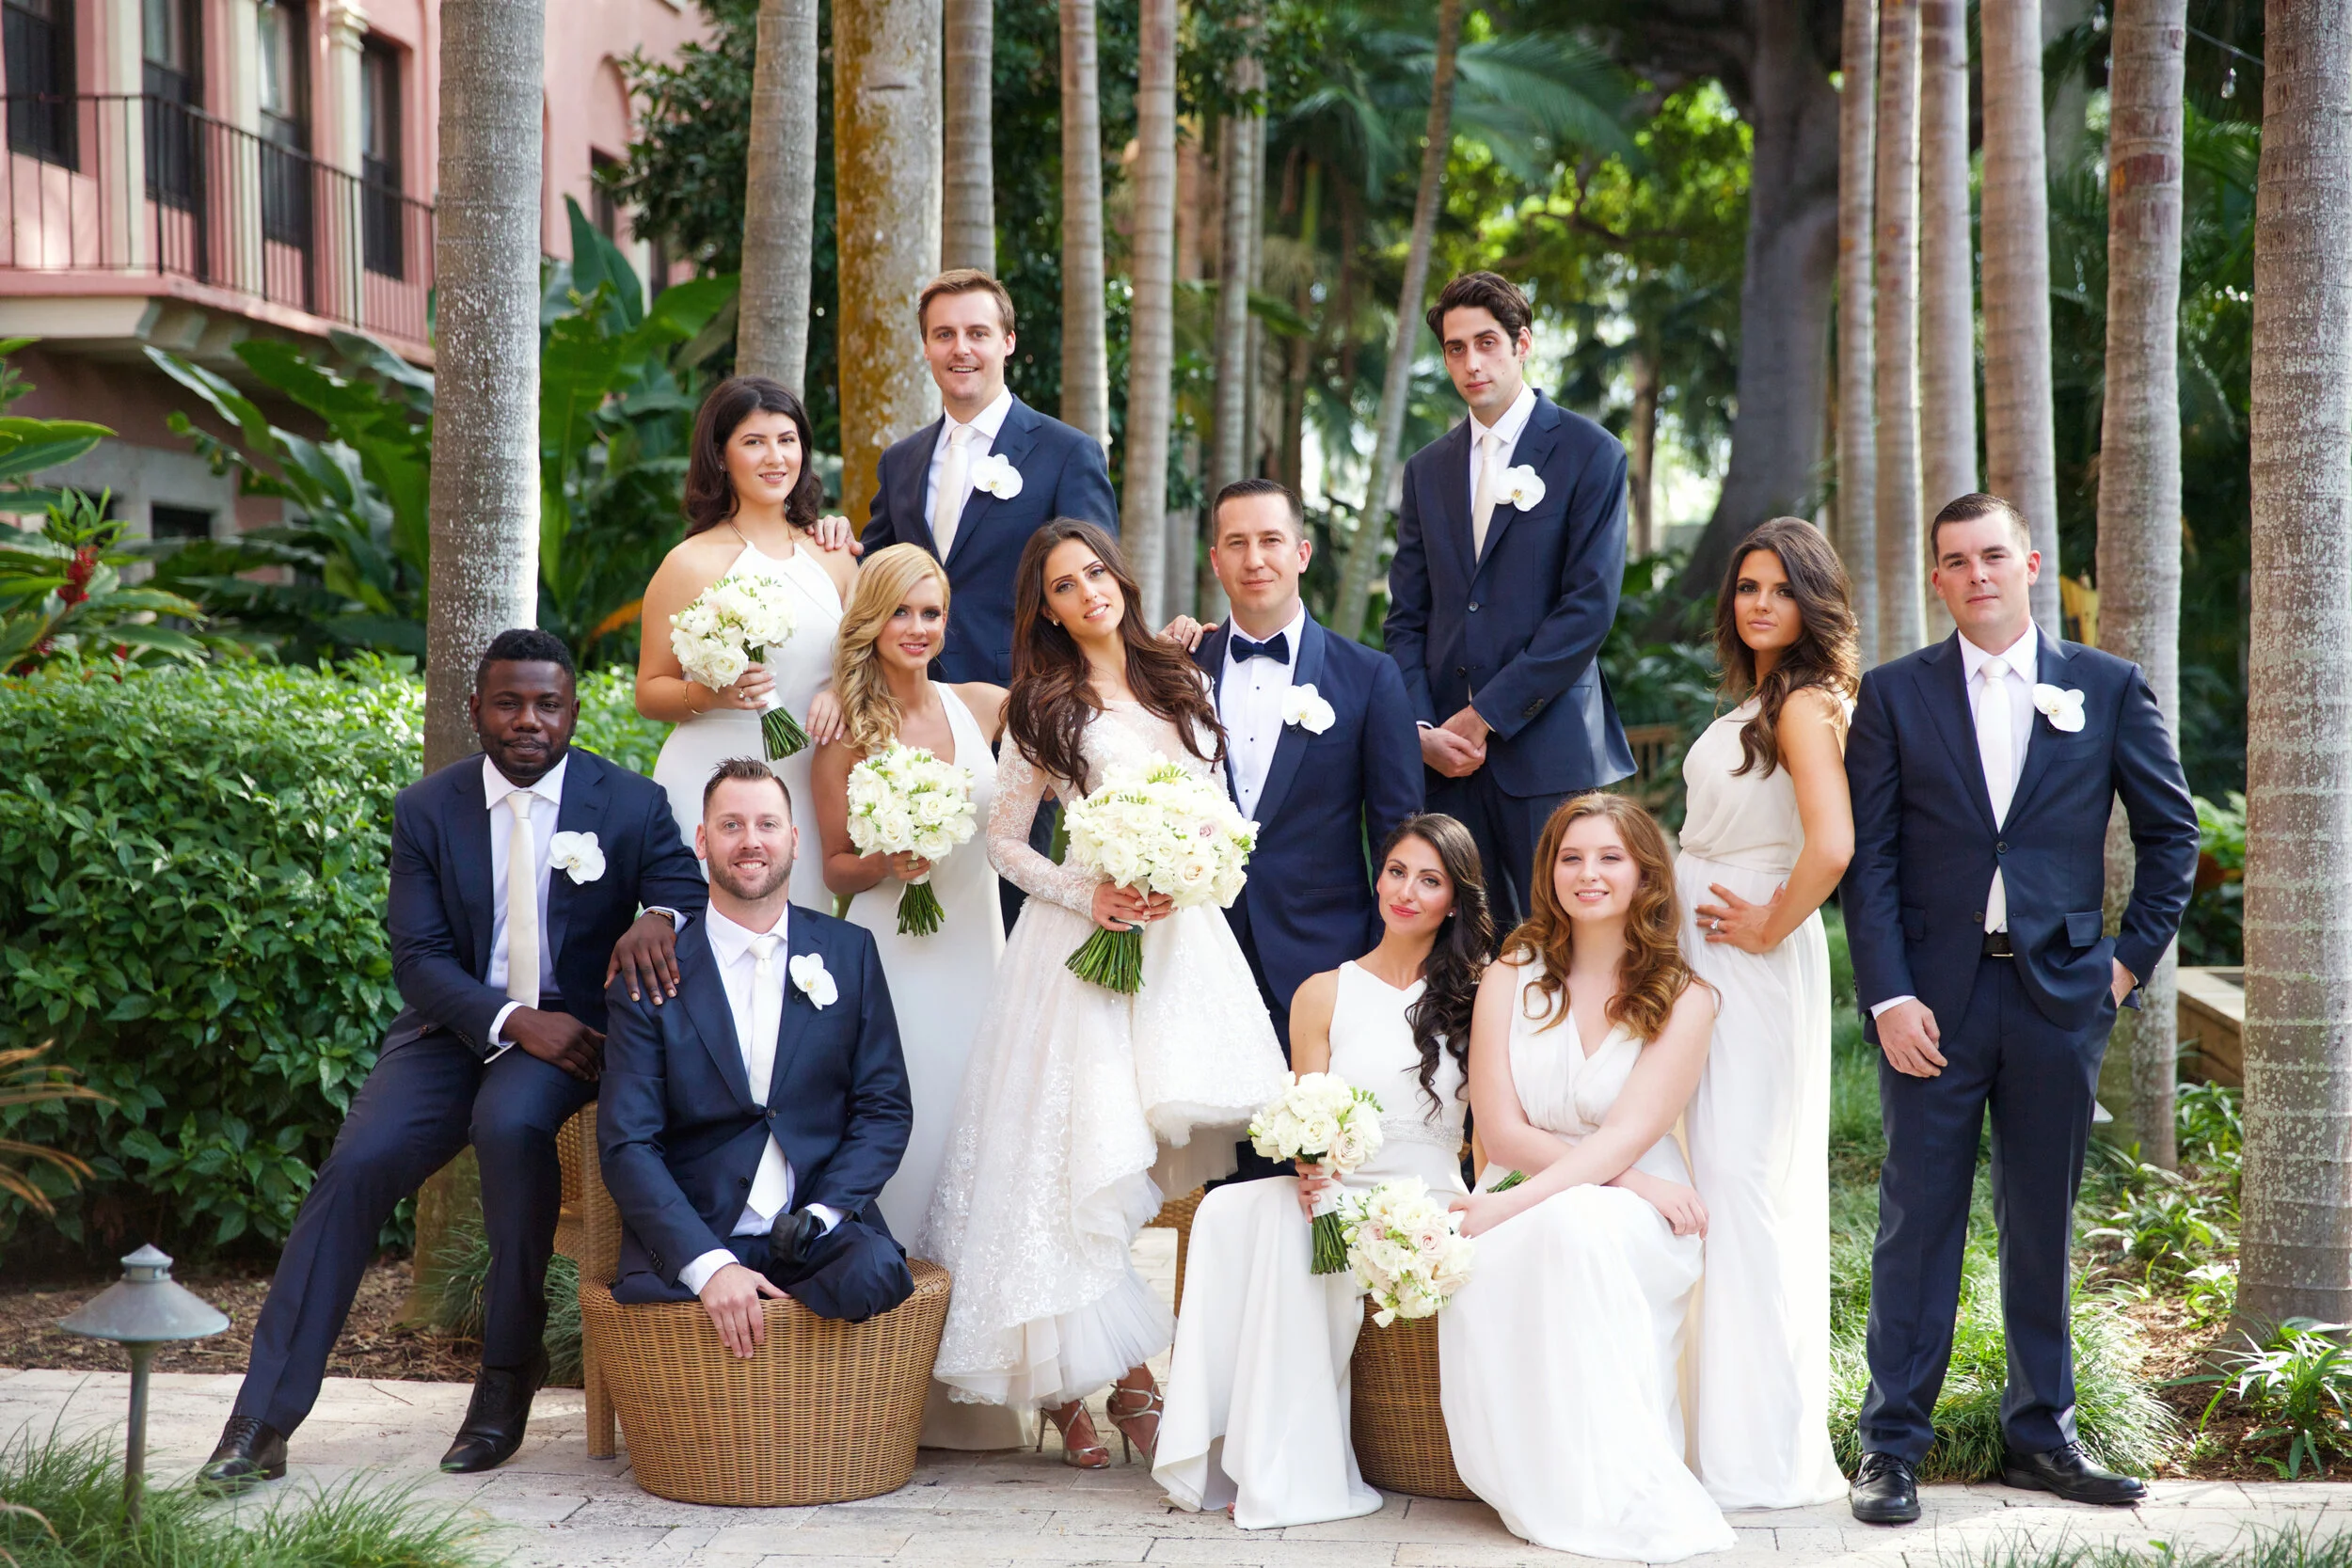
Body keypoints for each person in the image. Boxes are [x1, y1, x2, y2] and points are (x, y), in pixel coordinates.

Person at [199, 630, 707, 1492]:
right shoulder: (428, 808)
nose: (528, 720)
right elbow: (420, 959)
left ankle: (506, 1376)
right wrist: (515, 1020)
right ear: (476, 709)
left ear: (572, 711)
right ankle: (262, 1417)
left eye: (547, 704)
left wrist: (656, 916)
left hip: (569, 1036)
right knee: (357, 1164)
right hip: (450, 1029)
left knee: (509, 1126)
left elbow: (683, 889)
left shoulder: (630, 801)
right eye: (508, 702)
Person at [1842, 493, 2199, 1525]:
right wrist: (1889, 994)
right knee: (1918, 1223)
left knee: (2041, 1220)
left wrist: (2121, 968)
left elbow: (2170, 835)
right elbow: (1871, 860)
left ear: (2029, 564)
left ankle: (2042, 1434)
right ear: (1938, 579)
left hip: (2059, 997)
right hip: (1933, 1006)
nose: (1977, 575)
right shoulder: (1893, 694)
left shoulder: (2107, 684)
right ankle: (1891, 1445)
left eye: (1993, 555)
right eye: (1956, 561)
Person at [921, 520, 1288, 1468]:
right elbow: (1004, 841)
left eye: (1095, 571)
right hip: (1082, 949)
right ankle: (1105, 1385)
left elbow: (1220, 812)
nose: (1088, 590)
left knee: (1131, 1172)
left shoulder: (1181, 679)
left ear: (1118, 577)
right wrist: (1090, 892)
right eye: (1063, 584)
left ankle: (1122, 1382)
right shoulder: (1042, 705)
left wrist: (1197, 863)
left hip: (1179, 949)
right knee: (1076, 1163)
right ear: (1046, 609)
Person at [1155, 815, 1491, 1528]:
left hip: (1425, 1199)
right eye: (1396, 871)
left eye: (1429, 880)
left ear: (1454, 901)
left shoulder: (1481, 996)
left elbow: (1489, 1133)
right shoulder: (1322, 992)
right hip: (1335, 1189)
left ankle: (1279, 1465)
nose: (1406, 891)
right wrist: (1309, 1163)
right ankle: (1253, 1457)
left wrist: (1490, 1206)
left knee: (1297, 1230)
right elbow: (1310, 1115)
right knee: (1235, 1211)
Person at [1440, 794, 1735, 1563]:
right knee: (1560, 1224)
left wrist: (1517, 1205)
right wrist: (1625, 1184)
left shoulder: (1685, 998)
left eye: (1609, 857)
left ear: (1645, 874)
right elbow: (1500, 1129)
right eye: (1570, 857)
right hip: (1537, 1182)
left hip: (1623, 1210)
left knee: (1577, 1225)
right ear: (1549, 872)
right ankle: (1547, 1484)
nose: (1588, 873)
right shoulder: (1512, 973)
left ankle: (1617, 1484)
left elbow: (1625, 1136)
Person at [810, 545, 1026, 1449]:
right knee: (908, 1137)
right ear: (871, 619)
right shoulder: (843, 728)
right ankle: (892, 1389)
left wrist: (1175, 642)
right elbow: (834, 866)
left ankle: (979, 1384)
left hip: (978, 952)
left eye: (931, 612)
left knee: (977, 1146)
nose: (918, 628)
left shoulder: (980, 704)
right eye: (900, 611)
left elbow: (1087, 698)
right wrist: (887, 860)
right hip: (895, 957)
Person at [598, 758, 916, 1338]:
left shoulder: (850, 953)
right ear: (702, 841)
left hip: (813, 1234)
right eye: (731, 825)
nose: (751, 841)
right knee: (671, 1300)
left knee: (874, 1273)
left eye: (767, 825)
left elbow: (884, 1107)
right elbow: (628, 1143)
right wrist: (711, 1267)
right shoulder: (649, 973)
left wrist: (821, 1216)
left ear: (793, 839)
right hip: (702, 1230)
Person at [1673, 517, 1857, 1508]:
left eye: (1781, 589)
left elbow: (1830, 844)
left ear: (1811, 602)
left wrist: (1766, 923)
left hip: (1748, 953)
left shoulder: (1802, 704)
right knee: (1710, 1170)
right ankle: (1707, 1428)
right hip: (1710, 947)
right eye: (1747, 585)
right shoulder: (1764, 696)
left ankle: (1754, 1448)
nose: (1759, 603)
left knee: (1738, 1180)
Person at [1382, 271, 1635, 927]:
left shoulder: (1591, 454)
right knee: (1466, 947)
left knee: (1566, 939)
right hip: (1447, 766)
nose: (1472, 362)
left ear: (1522, 344)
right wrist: (1423, 729)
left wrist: (1486, 715)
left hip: (1549, 753)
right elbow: (1407, 616)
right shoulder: (1426, 470)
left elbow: (1588, 610)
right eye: (1455, 348)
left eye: (1487, 343)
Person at [1170, 478, 1424, 1053]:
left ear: (1301, 553)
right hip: (1198, 954)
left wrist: (1383, 959)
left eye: (1271, 540)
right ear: (1215, 560)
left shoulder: (1369, 677)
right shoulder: (1175, 673)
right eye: (1236, 543)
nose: (1254, 559)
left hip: (1325, 959)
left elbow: (1400, 835)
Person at [638, 376, 857, 909]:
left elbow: (869, 661)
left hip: (806, 778)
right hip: (706, 772)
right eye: (754, 442)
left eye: (787, 440)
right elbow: (649, 691)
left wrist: (842, 692)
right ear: (720, 455)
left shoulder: (833, 555)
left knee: (799, 933)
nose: (775, 457)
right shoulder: (688, 563)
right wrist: (711, 695)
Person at [860, 269, 1120, 685]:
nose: (960, 348)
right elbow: (869, 577)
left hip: (1025, 696)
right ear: (926, 347)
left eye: (977, 333)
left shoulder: (1067, 454)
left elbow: (1099, 589)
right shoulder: (899, 462)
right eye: (944, 335)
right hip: (909, 696)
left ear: (1008, 342)